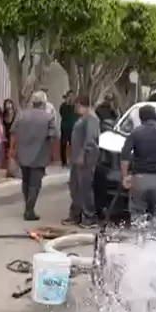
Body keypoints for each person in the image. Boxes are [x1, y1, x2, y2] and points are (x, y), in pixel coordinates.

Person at [9, 91, 57, 220]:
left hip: (22, 154)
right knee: (35, 183)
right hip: (40, 154)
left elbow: (13, 132)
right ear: (44, 103)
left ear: (32, 102)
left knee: (26, 181)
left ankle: (28, 207)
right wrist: (52, 153)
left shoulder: (21, 115)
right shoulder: (48, 117)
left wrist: (12, 149)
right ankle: (29, 209)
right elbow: (52, 137)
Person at [63, 94, 100, 228]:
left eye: (76, 105)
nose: (74, 108)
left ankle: (90, 216)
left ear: (80, 104)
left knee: (84, 187)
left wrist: (83, 154)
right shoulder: (83, 118)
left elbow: (91, 139)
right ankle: (75, 214)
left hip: (85, 159)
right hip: (77, 158)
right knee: (75, 187)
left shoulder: (91, 118)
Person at [59, 91, 77, 167]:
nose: (71, 98)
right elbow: (62, 113)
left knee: (74, 144)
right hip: (65, 127)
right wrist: (67, 104)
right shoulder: (63, 106)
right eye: (69, 96)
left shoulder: (76, 106)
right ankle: (64, 162)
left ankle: (73, 161)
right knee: (63, 144)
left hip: (74, 127)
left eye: (72, 96)